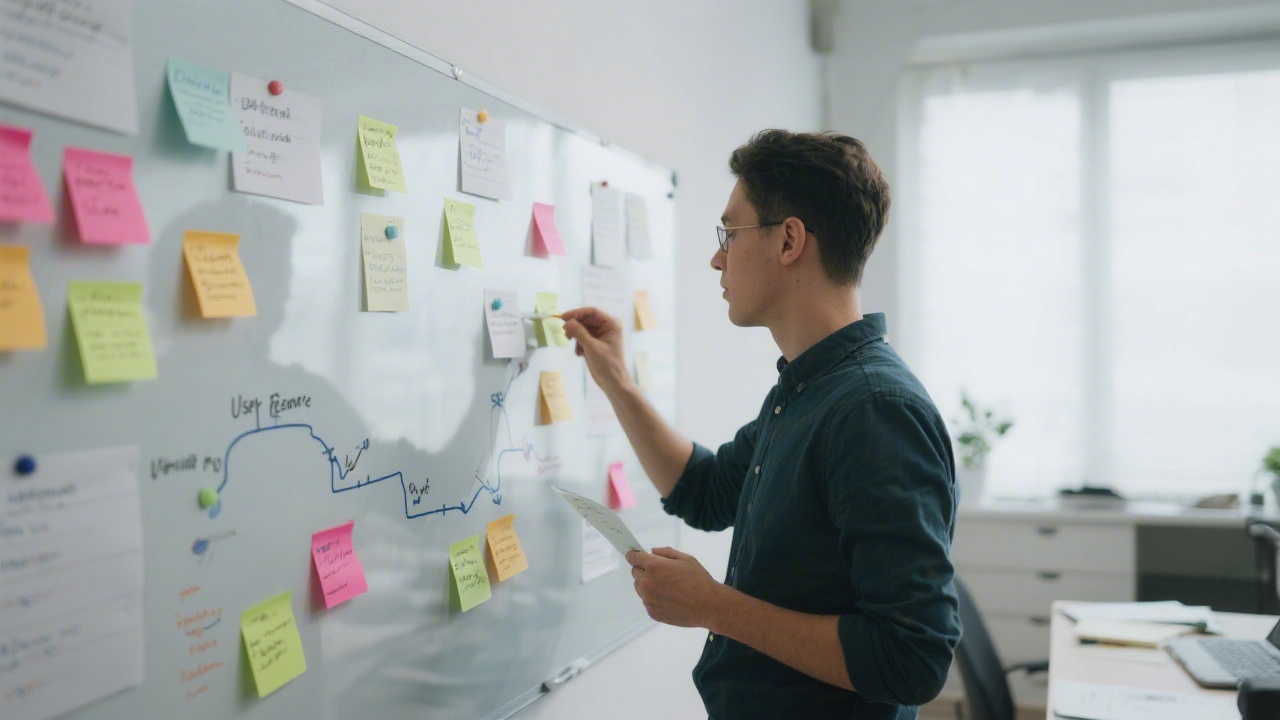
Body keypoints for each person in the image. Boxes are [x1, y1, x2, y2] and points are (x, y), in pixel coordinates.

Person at [561, 129, 961, 719]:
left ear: (790, 240)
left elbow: (910, 659)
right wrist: (617, 381)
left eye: (730, 233)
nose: (716, 257)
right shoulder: (806, 389)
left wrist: (714, 607)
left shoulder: (872, 410)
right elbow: (705, 490)